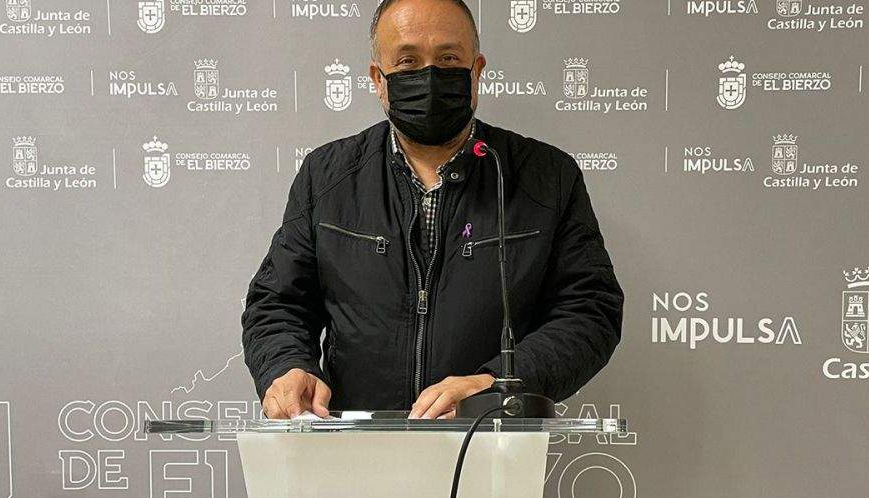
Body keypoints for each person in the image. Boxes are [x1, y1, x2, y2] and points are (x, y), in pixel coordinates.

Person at [241, 0, 624, 420]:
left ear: (476, 71)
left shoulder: (546, 177)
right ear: (378, 79)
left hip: (493, 439)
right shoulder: (327, 177)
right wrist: (288, 366)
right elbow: (278, 303)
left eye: (448, 59)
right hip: (356, 443)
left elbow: (590, 311)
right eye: (408, 61)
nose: (429, 76)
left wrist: (497, 385)